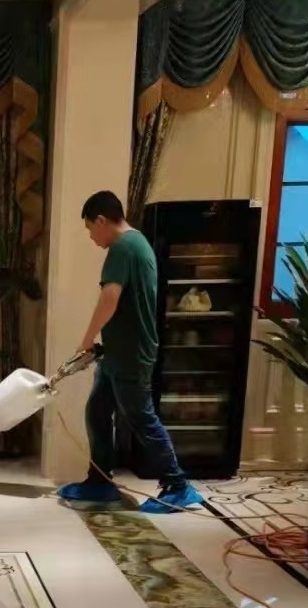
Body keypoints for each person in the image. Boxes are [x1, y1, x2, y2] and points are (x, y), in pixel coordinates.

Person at [56, 190, 203, 513]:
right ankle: (99, 481)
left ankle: (179, 486)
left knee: (141, 418)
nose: (92, 238)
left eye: (90, 229)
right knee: (97, 411)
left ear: (101, 221)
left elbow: (110, 297)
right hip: (118, 352)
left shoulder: (122, 247)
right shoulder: (137, 243)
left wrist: (86, 339)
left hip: (130, 355)